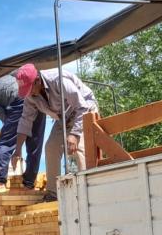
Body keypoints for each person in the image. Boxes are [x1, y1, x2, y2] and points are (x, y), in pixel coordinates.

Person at [12, 64, 98, 202]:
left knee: (77, 149)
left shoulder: (58, 80)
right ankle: (53, 194)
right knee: (51, 147)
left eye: (29, 89)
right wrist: (17, 150)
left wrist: (75, 134)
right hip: (63, 116)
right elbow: (25, 121)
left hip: (84, 110)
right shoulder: (31, 96)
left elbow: (82, 106)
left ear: (37, 80)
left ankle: (85, 190)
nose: (28, 94)